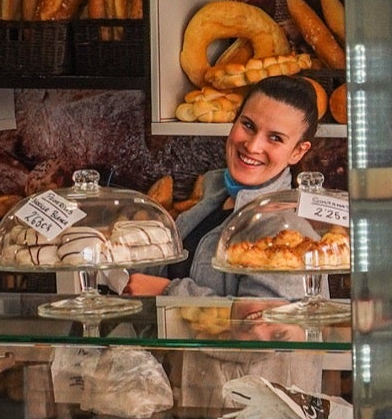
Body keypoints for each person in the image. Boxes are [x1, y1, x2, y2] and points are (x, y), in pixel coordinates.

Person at [124, 75, 318, 300]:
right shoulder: (213, 196)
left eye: (275, 138)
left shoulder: (289, 232)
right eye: (248, 125)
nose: (253, 146)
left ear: (298, 152)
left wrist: (167, 291)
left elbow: (264, 324)